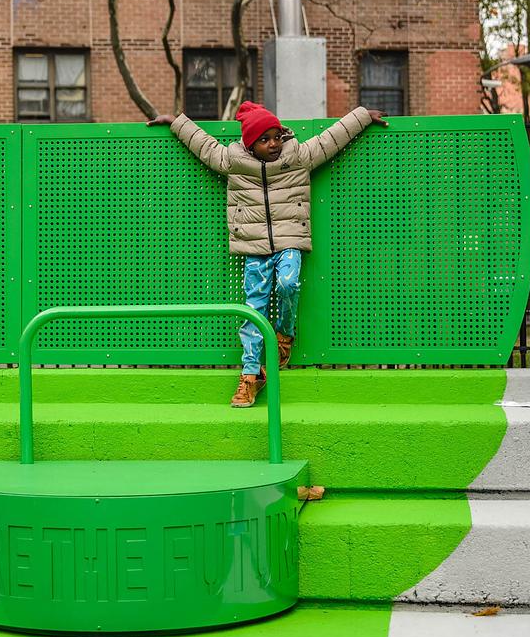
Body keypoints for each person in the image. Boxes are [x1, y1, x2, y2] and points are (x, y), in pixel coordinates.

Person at [148, 101, 388, 407]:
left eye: (276, 136)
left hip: (289, 242)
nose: (273, 144)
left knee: (288, 283)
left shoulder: (297, 156)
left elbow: (331, 139)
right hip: (254, 248)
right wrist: (175, 122)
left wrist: (363, 116)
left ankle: (284, 334)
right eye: (264, 139)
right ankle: (250, 375)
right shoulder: (233, 160)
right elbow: (204, 146)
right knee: (254, 308)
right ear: (250, 145)